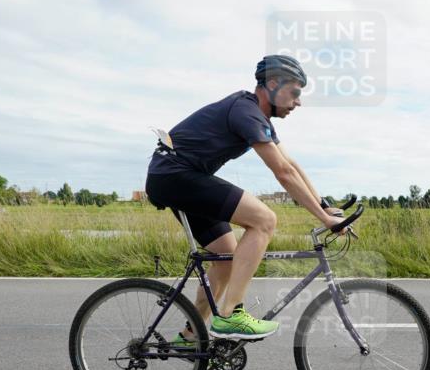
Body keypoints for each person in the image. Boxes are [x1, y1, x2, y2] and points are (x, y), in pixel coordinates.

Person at [145, 55, 346, 345]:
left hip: (178, 177)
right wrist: (325, 220)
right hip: (174, 175)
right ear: (273, 84)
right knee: (264, 220)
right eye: (295, 92)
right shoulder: (245, 111)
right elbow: (283, 173)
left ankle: (191, 336)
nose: (298, 102)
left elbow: (291, 164)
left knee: (225, 258)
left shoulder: (257, 116)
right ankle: (230, 314)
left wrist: (324, 204)